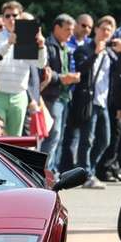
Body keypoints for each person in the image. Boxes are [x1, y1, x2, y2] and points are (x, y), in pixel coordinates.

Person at [69, 16, 121, 188]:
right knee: (87, 139)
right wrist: (95, 53)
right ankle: (86, 174)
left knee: (105, 140)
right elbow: (80, 70)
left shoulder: (111, 53)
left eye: (109, 31)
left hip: (104, 102)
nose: (106, 33)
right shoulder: (84, 49)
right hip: (88, 100)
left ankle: (87, 169)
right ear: (96, 30)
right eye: (103, 29)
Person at [0, 1, 48, 136]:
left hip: (19, 95)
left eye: (14, 16)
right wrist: (9, 43)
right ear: (3, 19)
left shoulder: (28, 38)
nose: (11, 19)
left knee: (14, 139)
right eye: (7, 16)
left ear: (20, 17)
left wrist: (41, 46)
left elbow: (40, 64)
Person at [41, 14, 81, 170]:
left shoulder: (66, 47)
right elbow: (44, 71)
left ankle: (52, 170)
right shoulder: (47, 46)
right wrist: (62, 78)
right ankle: (44, 171)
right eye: (67, 30)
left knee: (59, 136)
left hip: (64, 97)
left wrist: (72, 77)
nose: (71, 33)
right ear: (56, 28)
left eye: (72, 30)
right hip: (52, 97)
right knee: (53, 135)